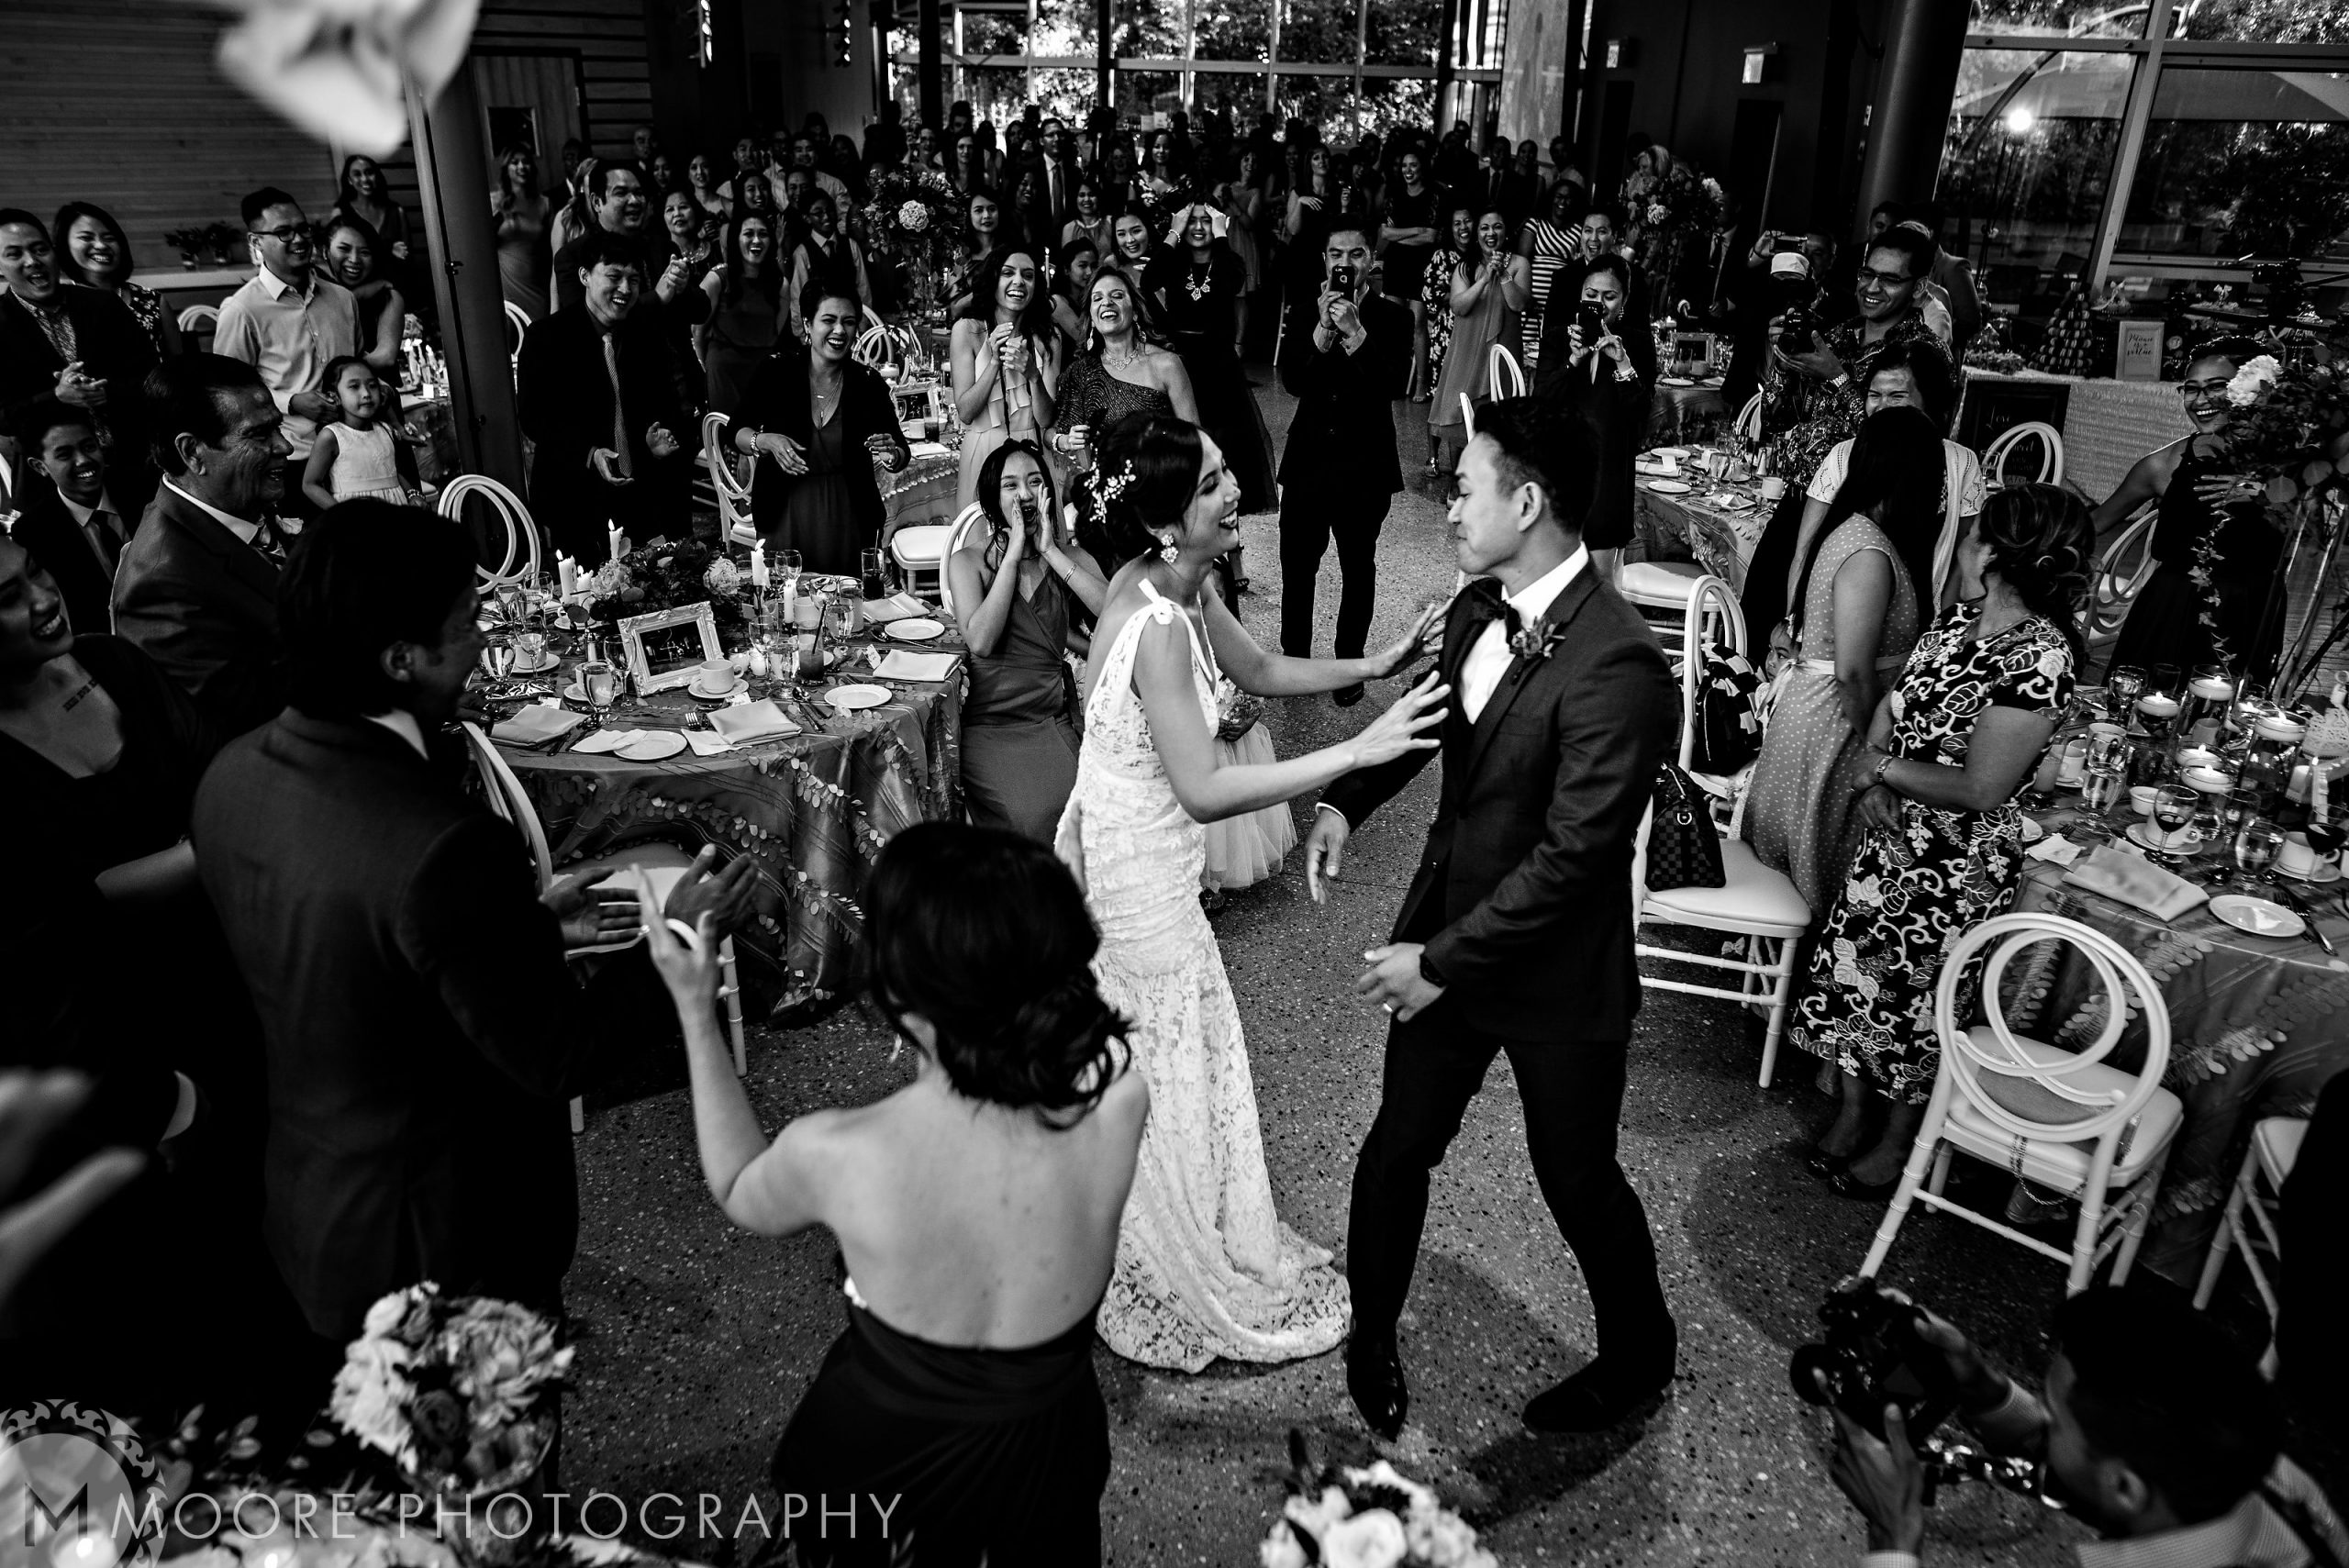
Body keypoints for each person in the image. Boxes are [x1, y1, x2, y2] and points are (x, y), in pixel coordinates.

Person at [191, 500, 754, 1368]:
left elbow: (363, 960)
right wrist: (674, 939)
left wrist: (520, 928)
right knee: (492, 1491)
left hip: (317, 1206)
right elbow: (554, 1052)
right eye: (468, 622)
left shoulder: (232, 775)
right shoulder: (444, 843)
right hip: (443, 1247)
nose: (485, 640)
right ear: (400, 658)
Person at [1305, 396, 1677, 1441]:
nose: (1449, 503)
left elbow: (1574, 860)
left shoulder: (1620, 665)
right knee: (1396, 1148)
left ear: (1527, 499)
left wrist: (1441, 963)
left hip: (1550, 966)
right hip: (1451, 936)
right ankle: (1371, 1332)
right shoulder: (1476, 604)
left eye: (1465, 487)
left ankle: (1641, 1353)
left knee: (1575, 1170)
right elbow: (1430, 727)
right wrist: (1347, 799)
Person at [1060, 411, 1445, 1371]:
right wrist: (1351, 750)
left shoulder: (1178, 584)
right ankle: (1164, 1235)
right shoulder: (1151, 621)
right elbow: (1200, 785)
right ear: (1161, 523)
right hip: (1138, 872)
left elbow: (1261, 669)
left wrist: (1375, 664)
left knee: (1167, 1037)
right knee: (1163, 1034)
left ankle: (1154, 1202)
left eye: (1226, 471)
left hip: (1139, 846)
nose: (1235, 490)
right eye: (1210, 485)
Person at [649, 821, 1143, 1562]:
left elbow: (738, 1183)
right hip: (1051, 1445)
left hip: (887, 1464)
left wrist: (695, 1009)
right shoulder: (1119, 1102)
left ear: (901, 998)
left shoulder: (847, 1155)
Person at [1794, 484, 2089, 1195]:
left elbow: (1984, 787)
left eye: (1972, 534)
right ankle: (1853, 1114)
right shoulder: (1955, 623)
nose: (1959, 543)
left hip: (1955, 865)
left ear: (1992, 552)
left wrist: (1882, 771)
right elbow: (1891, 711)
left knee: (1920, 1006)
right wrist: (1877, 784)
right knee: (1857, 979)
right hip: (1890, 838)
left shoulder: (2041, 657)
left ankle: (1900, 1143)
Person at [1829, 1286, 2345, 1568]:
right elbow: (2093, 1454)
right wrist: (1980, 1384)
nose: (2045, 1424)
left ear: (2126, 1487)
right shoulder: (2266, 1474)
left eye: (2054, 1416)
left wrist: (1893, 1537)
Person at [1742, 407, 1940, 921]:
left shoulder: (1855, 533)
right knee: (1823, 850)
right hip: (1837, 719)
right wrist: (1877, 753)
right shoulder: (1867, 550)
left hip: (1825, 711)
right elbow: (1853, 671)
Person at [2097, 336, 2338, 683]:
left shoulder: (2290, 464)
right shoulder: (2164, 464)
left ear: (2254, 391)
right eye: (2191, 389)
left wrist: (2266, 494)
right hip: (2170, 608)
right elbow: (2098, 522)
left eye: (2216, 387)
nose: (2201, 400)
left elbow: (2315, 545)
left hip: (2249, 611)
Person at [112, 355, 293, 737]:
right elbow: (246, 723)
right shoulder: (162, 585)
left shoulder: (239, 501)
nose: (286, 447)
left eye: (278, 428)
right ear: (193, 452)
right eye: (259, 435)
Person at [1276, 227, 1413, 696]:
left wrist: (1356, 333)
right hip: (1308, 459)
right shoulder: (1302, 311)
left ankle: (1349, 668)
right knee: (1297, 569)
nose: (1346, 262)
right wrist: (1322, 330)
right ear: (1324, 258)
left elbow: (1393, 385)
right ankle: (1293, 667)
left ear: (1371, 259)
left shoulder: (1393, 317)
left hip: (1364, 463)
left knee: (1359, 568)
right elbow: (1293, 379)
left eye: (1356, 253)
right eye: (1336, 252)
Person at [948, 442, 1108, 840]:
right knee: (1031, 818)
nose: (1024, 494)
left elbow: (1115, 612)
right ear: (992, 498)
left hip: (1048, 717)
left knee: (1089, 811)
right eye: (1010, 485)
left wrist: (1050, 551)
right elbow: (981, 641)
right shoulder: (967, 562)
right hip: (990, 724)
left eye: (1035, 482)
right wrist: (1012, 554)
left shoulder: (1071, 558)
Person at [516, 231, 691, 562]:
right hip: (574, 493)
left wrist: (656, 440)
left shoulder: (646, 333)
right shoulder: (547, 337)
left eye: (634, 280)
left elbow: (666, 403)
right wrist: (589, 453)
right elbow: (534, 416)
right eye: (614, 276)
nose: (625, 289)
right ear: (585, 276)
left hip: (638, 493)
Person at [1787, 341, 1979, 617]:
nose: (1882, 407)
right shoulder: (1843, 457)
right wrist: (1795, 623)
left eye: (1897, 396)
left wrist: (1939, 632)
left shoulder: (1961, 464)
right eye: (1874, 395)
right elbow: (1804, 553)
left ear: (1930, 401)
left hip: (1923, 621)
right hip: (1849, 617)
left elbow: (1960, 562)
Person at [733, 284, 910, 575]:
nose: (840, 330)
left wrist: (892, 452)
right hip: (785, 511)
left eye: (849, 322)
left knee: (846, 606)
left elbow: (901, 452)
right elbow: (735, 432)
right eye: (829, 320)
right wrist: (764, 440)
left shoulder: (867, 382)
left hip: (848, 514)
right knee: (788, 603)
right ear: (807, 324)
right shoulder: (776, 372)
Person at [0, 209, 161, 517]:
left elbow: (154, 378)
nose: (32, 261)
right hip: (50, 484)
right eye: (14, 254)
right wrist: (57, 398)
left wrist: (106, 391)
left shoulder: (102, 305)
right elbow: (3, 415)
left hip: (134, 467)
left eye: (39, 249)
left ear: (54, 253)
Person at [1762, 219, 1944, 488]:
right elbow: (1775, 420)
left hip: (1858, 509)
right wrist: (1786, 356)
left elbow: (1896, 448)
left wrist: (1837, 379)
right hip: (1797, 495)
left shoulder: (1925, 353)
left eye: (1890, 279)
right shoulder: (1837, 336)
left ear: (1918, 288)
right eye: (1867, 274)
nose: (1871, 288)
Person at [213, 188, 362, 499]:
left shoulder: (342, 299)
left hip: (355, 448)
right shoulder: (242, 310)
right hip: (292, 457)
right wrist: (291, 401)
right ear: (256, 242)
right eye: (283, 232)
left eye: (303, 228)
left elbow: (358, 366)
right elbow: (226, 395)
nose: (299, 239)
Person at [1145, 204, 1274, 514]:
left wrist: (1222, 236)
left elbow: (1233, 280)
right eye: (1192, 222)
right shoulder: (1174, 264)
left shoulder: (1228, 261)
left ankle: (1222, 510)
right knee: (1185, 439)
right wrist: (1173, 232)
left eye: (1207, 221)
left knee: (1224, 437)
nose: (1199, 227)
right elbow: (1147, 281)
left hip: (1219, 364)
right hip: (1182, 361)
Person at [1533, 253, 1653, 583]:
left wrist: (1623, 364)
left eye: (1609, 296)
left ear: (1624, 301)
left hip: (1608, 479)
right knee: (1551, 588)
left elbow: (1641, 415)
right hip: (1558, 475)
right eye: (1591, 295)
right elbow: (1542, 404)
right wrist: (1573, 361)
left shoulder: (1639, 344)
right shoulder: (1559, 339)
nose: (1599, 304)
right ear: (1581, 295)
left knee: (1596, 592)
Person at [951, 246, 1060, 509]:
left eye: (1028, 275)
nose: (1019, 281)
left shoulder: (1049, 337)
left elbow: (1046, 419)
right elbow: (966, 412)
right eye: (1007, 273)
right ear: (993, 281)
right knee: (984, 544)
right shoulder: (968, 330)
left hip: (1032, 450)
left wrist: (1033, 374)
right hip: (983, 447)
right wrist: (994, 362)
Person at [10, 401, 128, 637]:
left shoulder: (139, 490)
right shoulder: (33, 532)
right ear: (40, 466)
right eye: (65, 455)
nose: (83, 460)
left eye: (88, 447)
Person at [1429, 209, 1528, 475]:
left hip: (1501, 350)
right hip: (1467, 347)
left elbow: (1518, 303)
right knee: (1459, 412)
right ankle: (1459, 482)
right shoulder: (1465, 266)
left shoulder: (1519, 263)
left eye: (1497, 227)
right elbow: (1459, 306)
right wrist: (1484, 279)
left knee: (1498, 415)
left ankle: (1491, 480)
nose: (1490, 233)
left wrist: (1504, 274)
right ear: (1477, 234)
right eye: (1484, 228)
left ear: (1506, 233)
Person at [52, 202, 176, 357]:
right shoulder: (58, 306)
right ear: (65, 246)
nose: (101, 245)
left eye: (109, 238)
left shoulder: (152, 300)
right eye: (86, 237)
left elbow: (178, 368)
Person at [302, 356, 422, 511]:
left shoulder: (385, 430)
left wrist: (413, 494)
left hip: (395, 512)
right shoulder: (332, 436)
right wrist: (339, 514)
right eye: (354, 387)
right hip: (356, 517)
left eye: (372, 385)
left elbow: (393, 472)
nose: (366, 393)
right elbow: (310, 484)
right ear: (334, 396)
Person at [696, 210, 784, 417]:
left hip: (762, 372)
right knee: (727, 439)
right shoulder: (718, 278)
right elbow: (698, 332)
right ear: (736, 239)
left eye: (763, 234)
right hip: (724, 372)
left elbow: (775, 331)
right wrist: (707, 368)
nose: (756, 240)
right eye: (748, 234)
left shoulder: (780, 284)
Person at [1378, 150, 1442, 400]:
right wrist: (1416, 230)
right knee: (1394, 325)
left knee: (1417, 324)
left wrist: (1401, 234)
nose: (1408, 170)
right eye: (1405, 164)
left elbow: (1432, 237)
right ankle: (1394, 379)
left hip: (1420, 266)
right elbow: (1385, 234)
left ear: (1421, 168)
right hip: (1396, 265)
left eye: (1413, 165)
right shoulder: (1394, 194)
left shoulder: (1433, 195)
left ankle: (1421, 382)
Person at [1419, 208, 1475, 469]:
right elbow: (1429, 295)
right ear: (1450, 229)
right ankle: (1432, 457)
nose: (1463, 227)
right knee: (1441, 397)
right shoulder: (1442, 257)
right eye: (1457, 223)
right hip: (1447, 334)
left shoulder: (1480, 258)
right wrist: (1456, 297)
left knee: (1464, 401)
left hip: (1473, 335)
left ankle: (1462, 464)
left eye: (1467, 221)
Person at [320, 216, 406, 376]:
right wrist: (355, 296)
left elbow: (385, 357)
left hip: (377, 392)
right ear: (325, 252)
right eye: (344, 249)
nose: (354, 260)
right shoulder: (314, 295)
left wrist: (330, 372)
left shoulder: (389, 297)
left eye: (365, 252)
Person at [1512, 182, 1583, 376]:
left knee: (1550, 353)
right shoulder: (1535, 224)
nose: (1563, 201)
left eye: (1568, 198)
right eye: (1559, 196)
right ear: (1552, 198)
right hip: (1532, 302)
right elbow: (1522, 261)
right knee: (1525, 353)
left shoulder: (1577, 230)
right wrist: (1525, 294)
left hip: (1558, 305)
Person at [785, 192, 873, 339]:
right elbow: (797, 299)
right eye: (818, 213)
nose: (826, 217)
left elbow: (863, 289)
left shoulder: (850, 245)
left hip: (851, 327)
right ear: (807, 218)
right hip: (820, 331)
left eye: (829, 210)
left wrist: (862, 327)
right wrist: (803, 335)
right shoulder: (802, 253)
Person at [488, 145, 553, 323]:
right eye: (515, 162)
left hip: (538, 284)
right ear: (506, 168)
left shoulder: (544, 203)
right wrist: (501, 215)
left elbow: (551, 248)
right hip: (508, 286)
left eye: (526, 162)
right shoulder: (494, 201)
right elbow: (482, 245)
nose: (521, 167)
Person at [1049, 239, 1099, 350]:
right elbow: (1083, 339)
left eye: (1094, 265)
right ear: (1067, 269)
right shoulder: (1057, 302)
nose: (1090, 272)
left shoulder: (1092, 298)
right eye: (1083, 266)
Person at [1062, 179, 1115, 256]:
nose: (1087, 199)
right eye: (1082, 195)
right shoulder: (1069, 228)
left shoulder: (1110, 221)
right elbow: (1066, 260)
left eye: (1091, 195)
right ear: (1075, 199)